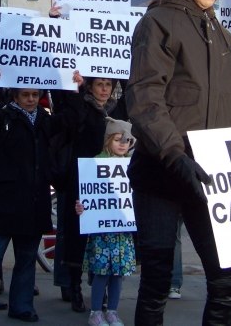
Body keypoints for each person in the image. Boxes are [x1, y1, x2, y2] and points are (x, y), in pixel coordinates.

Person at [125, 0, 231, 326]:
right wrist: (173, 155)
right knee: (156, 278)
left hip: (213, 176)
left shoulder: (228, 42)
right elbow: (145, 97)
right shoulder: (158, 22)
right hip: (162, 170)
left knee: (223, 278)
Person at [0, 69, 82, 326]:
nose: (31, 99)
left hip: (34, 199)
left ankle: (21, 306)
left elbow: (72, 119)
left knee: (26, 258)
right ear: (16, 95)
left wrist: (76, 89)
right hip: (5, 199)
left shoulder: (44, 121)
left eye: (34, 94)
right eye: (25, 94)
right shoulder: (4, 116)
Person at [60, 75, 129, 313]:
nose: (104, 89)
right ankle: (75, 286)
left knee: (105, 237)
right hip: (83, 180)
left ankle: (102, 288)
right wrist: (77, 90)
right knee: (77, 235)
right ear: (90, 86)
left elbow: (130, 97)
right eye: (99, 84)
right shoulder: (83, 107)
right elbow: (70, 119)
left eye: (108, 84)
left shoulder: (116, 110)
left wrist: (124, 68)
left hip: (109, 184)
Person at [77, 118, 137, 326]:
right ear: (108, 140)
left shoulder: (133, 165)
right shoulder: (96, 162)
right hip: (102, 234)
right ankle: (96, 312)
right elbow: (88, 194)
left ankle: (112, 311)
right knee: (101, 273)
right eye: (118, 139)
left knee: (117, 274)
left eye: (127, 140)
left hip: (123, 232)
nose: (123, 144)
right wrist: (82, 207)